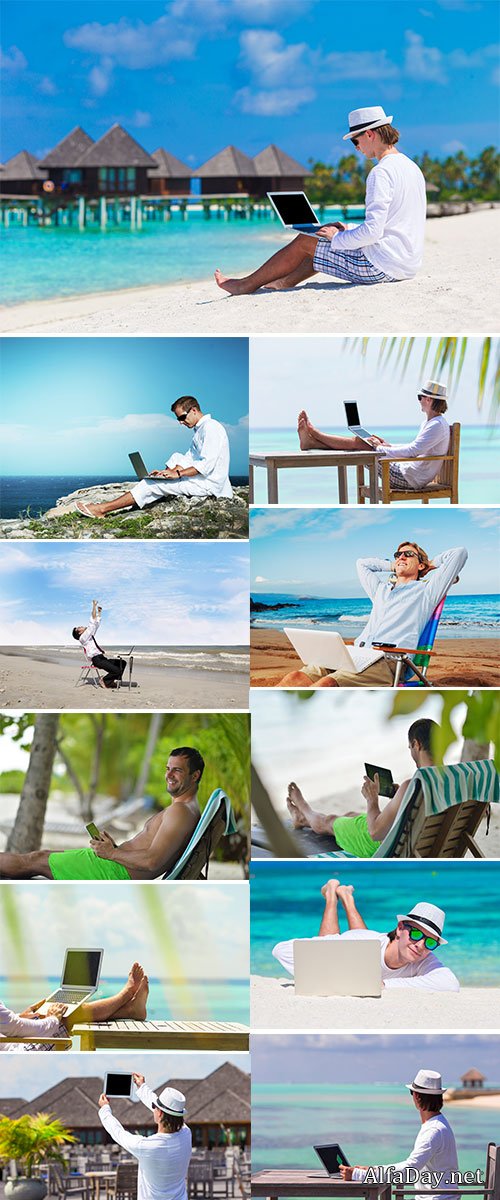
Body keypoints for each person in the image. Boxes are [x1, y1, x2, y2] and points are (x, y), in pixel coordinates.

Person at [214, 106, 425, 296]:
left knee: (307, 241)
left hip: (383, 266)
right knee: (322, 237)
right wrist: (347, 228)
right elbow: (394, 223)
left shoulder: (381, 173)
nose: (356, 148)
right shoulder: (412, 168)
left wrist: (337, 238)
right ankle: (283, 282)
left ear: (369, 134)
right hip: (407, 264)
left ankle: (245, 285)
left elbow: (373, 232)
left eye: (355, 140)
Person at [279, 542, 468, 688]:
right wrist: (393, 566)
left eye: (408, 554)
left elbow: (459, 553)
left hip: (388, 661)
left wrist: (430, 564)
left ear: (420, 565)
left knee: (328, 683)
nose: (401, 557)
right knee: (293, 678)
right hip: (355, 654)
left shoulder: (427, 591)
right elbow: (362, 564)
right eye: (398, 555)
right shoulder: (380, 590)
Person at [0, 748, 204, 880]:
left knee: (33, 860)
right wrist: (114, 849)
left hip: (112, 872)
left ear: (195, 776)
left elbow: (152, 861)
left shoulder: (180, 811)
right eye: (168, 768)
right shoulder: (186, 810)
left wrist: (112, 853)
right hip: (114, 865)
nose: (168, 775)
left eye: (177, 770)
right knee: (38, 858)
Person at [286, 718, 439, 858]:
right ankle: (303, 820)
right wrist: (400, 797)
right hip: (425, 844)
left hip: (381, 846)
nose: (411, 753)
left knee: (330, 821)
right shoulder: (449, 783)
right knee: (351, 814)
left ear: (416, 744)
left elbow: (375, 833)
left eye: (410, 747)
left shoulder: (412, 785)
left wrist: (372, 800)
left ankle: (304, 809)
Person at [272, 882, 460, 991]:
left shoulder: (423, 956)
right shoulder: (361, 944)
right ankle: (332, 895)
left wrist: (384, 984)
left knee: (365, 947)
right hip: (359, 941)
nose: (420, 945)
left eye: (429, 942)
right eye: (416, 934)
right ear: (401, 927)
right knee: (331, 940)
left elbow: (451, 984)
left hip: (367, 941)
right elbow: (281, 950)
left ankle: (346, 897)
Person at [76, 396, 232, 519]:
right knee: (176, 457)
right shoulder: (200, 430)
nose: (180, 422)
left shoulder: (211, 428)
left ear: (193, 410)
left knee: (151, 484)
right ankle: (157, 483)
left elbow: (206, 466)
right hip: (204, 480)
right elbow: (189, 458)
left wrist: (177, 474)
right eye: (178, 419)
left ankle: (102, 509)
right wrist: (168, 473)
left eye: (182, 417)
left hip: (209, 484)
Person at [297, 381, 451, 492]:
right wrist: (388, 446)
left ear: (429, 400)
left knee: (362, 444)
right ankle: (311, 442)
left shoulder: (436, 425)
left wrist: (379, 447)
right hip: (408, 472)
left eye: (420, 397)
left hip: (409, 479)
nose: (419, 401)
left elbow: (413, 451)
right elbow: (415, 447)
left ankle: (314, 435)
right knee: (364, 443)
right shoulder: (430, 423)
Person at [340, 1068, 459, 1200]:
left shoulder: (433, 1131)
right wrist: (372, 1171)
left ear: (417, 1096)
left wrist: (358, 1175)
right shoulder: (438, 1124)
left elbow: (409, 1169)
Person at [1, 962, 149, 1052]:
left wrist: (25, 1015)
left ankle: (130, 1010)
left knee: (62, 1012)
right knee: (69, 1015)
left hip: (12, 1043)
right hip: (19, 1051)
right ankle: (126, 995)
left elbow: (10, 1024)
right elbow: (15, 1026)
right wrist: (53, 1018)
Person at [98, 1073, 192, 1200]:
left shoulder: (147, 1146)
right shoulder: (186, 1135)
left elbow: (118, 1133)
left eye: (155, 1107)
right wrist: (142, 1087)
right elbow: (166, 1110)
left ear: (159, 1114)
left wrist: (105, 1109)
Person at [72, 599, 126, 690]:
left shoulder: (88, 636)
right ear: (79, 632)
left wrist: (99, 613)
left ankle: (110, 681)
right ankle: (104, 680)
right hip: (97, 660)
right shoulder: (83, 638)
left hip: (101, 658)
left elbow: (95, 625)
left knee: (122, 663)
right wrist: (94, 606)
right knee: (117, 670)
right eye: (79, 627)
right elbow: (92, 623)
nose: (81, 626)